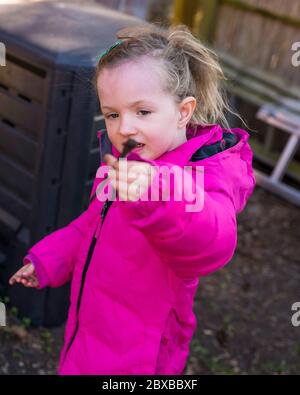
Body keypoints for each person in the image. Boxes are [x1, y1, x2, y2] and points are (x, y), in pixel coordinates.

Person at [9, 23, 255, 374]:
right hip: (89, 331)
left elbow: (213, 243)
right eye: (112, 114)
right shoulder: (127, 163)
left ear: (183, 111)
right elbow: (91, 225)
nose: (123, 128)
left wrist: (159, 192)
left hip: (141, 355)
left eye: (142, 112)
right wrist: (49, 260)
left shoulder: (203, 176)